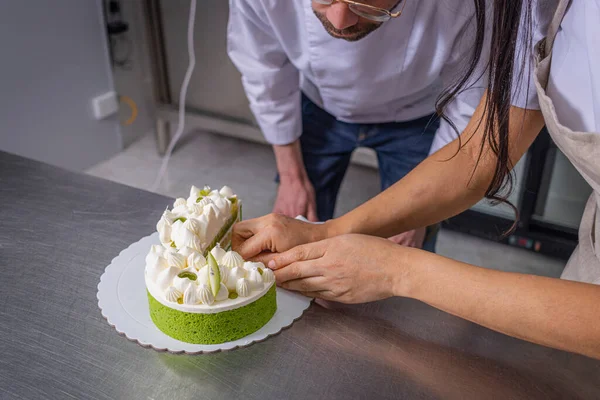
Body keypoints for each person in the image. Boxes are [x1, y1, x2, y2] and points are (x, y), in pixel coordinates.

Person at [232, 0, 600, 360]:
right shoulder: (534, 8)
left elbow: (468, 124)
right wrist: (326, 233)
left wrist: (398, 270)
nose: (341, 20)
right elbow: (477, 153)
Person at [227, 0, 489, 251]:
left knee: (408, 246)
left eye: (364, 1)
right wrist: (290, 176)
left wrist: (421, 211)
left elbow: (469, 98)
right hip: (319, 103)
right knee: (294, 226)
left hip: (416, 112)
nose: (339, 22)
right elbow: (263, 69)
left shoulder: (469, 6)